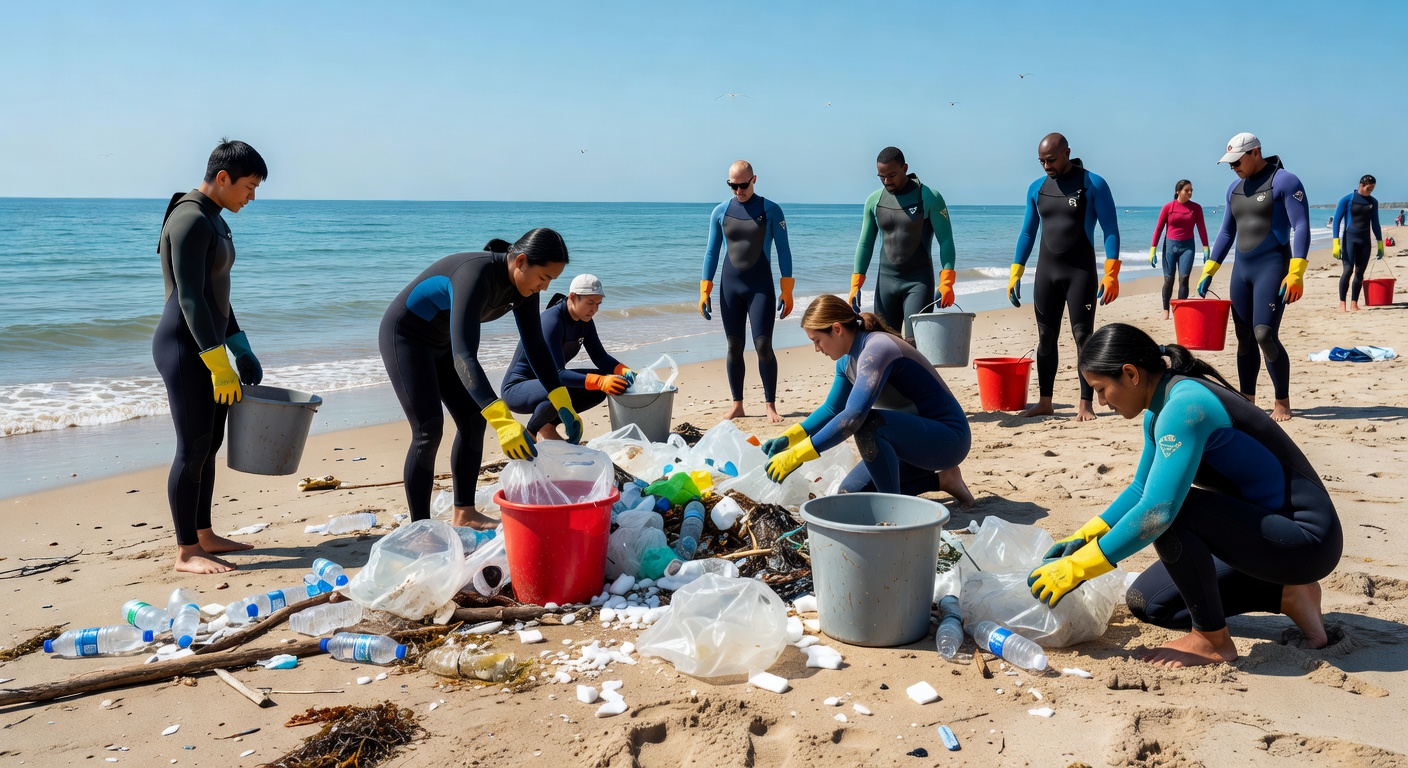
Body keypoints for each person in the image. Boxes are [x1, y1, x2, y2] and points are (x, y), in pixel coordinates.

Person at [1029, 323, 1341, 667]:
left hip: (1306, 539)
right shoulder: (1160, 408)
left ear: (1130, 374)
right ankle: (1289, 592)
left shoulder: (1185, 406)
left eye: (1101, 389)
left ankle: (1212, 641)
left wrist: (1079, 568)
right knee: (1150, 603)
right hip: (1261, 532)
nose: (1101, 402)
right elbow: (1139, 490)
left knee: (1173, 514)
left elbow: (1157, 511)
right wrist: (1085, 537)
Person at [379, 230, 583, 528]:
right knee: (428, 430)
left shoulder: (524, 287)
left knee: (473, 419)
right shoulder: (475, 274)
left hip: (443, 343)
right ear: (521, 262)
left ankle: (464, 513)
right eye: (544, 277)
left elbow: (535, 345)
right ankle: (418, 529)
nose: (546, 286)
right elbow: (465, 356)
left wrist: (561, 399)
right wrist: (503, 421)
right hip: (406, 338)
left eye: (551, 280)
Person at [153, 139, 268, 575]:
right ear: (223, 178)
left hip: (211, 346)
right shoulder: (189, 219)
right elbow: (191, 301)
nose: (252, 196)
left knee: (209, 445)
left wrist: (241, 348)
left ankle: (204, 533)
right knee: (192, 447)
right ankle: (186, 552)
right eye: (249, 186)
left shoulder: (213, 219)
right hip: (186, 348)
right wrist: (216, 362)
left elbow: (218, 294)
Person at [759, 295, 974, 505]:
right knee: (849, 496)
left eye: (817, 341)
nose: (817, 349)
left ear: (837, 329)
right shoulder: (846, 361)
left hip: (948, 440)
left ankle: (893, 512)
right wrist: (789, 438)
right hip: (909, 442)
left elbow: (853, 417)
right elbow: (832, 409)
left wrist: (798, 455)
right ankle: (943, 480)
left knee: (868, 425)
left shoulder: (877, 349)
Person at [1008, 133, 1121, 421]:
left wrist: (1111, 273)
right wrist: (1016, 270)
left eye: (1052, 159)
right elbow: (1028, 232)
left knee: (1083, 336)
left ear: (1067, 152)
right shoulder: (1037, 188)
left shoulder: (1093, 183)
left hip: (1079, 272)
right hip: (1047, 273)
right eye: (1042, 161)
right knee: (1046, 337)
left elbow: (1110, 228)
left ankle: (1086, 403)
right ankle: (1045, 401)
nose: (1046, 165)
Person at [1198, 133, 1310, 422]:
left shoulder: (1285, 181)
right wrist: (1210, 270)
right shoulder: (1234, 188)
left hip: (1273, 265)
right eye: (1229, 162)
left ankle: (1282, 402)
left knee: (1265, 334)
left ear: (1256, 152)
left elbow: (1300, 224)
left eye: (1237, 160)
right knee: (1245, 337)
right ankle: (1247, 400)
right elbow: (1226, 232)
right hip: (1242, 270)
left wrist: (1296, 272)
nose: (1233, 166)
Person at [699, 160, 794, 422]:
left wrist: (787, 289)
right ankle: (738, 404)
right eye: (733, 185)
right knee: (734, 346)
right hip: (730, 287)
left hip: (760, 286)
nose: (738, 190)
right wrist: (704, 288)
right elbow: (711, 252)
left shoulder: (771, 210)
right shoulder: (720, 212)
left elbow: (784, 250)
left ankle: (770, 405)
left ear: (754, 180)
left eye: (743, 184)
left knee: (763, 345)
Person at [502, 274, 635, 441]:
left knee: (602, 388)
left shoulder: (585, 320)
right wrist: (600, 381)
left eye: (598, 304)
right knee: (572, 386)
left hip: (547, 383)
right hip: (518, 389)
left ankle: (548, 425)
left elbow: (600, 357)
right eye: (590, 303)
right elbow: (557, 374)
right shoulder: (552, 321)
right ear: (573, 297)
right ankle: (530, 433)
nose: (594, 309)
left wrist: (623, 370)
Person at [848, 146, 959, 342]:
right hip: (885, 283)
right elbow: (865, 243)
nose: (886, 181)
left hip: (918, 282)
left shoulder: (929, 197)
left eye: (891, 175)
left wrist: (947, 282)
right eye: (881, 176)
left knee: (914, 343)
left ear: (905, 168)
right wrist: (856, 284)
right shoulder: (874, 201)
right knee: (883, 343)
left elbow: (946, 241)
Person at [1150, 180, 1210, 320]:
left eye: (1191, 190)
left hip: (1187, 247)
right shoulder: (1168, 207)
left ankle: (1180, 310)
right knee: (1169, 279)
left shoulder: (1196, 208)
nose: (1190, 192)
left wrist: (1206, 247)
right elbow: (1158, 229)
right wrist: (1153, 249)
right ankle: (1166, 309)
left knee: (1184, 278)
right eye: (1186, 190)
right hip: (1170, 246)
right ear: (1178, 191)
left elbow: (1202, 228)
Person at [1331, 175, 1384, 311]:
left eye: (1372, 189)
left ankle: (1354, 303)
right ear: (1361, 184)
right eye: (1368, 188)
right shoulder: (1347, 199)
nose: (1370, 191)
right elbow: (1336, 220)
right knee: (1348, 270)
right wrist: (1336, 242)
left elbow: (1375, 223)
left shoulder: (1373, 202)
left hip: (1365, 241)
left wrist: (1379, 243)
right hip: (1349, 239)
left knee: (1360, 273)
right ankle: (1342, 303)